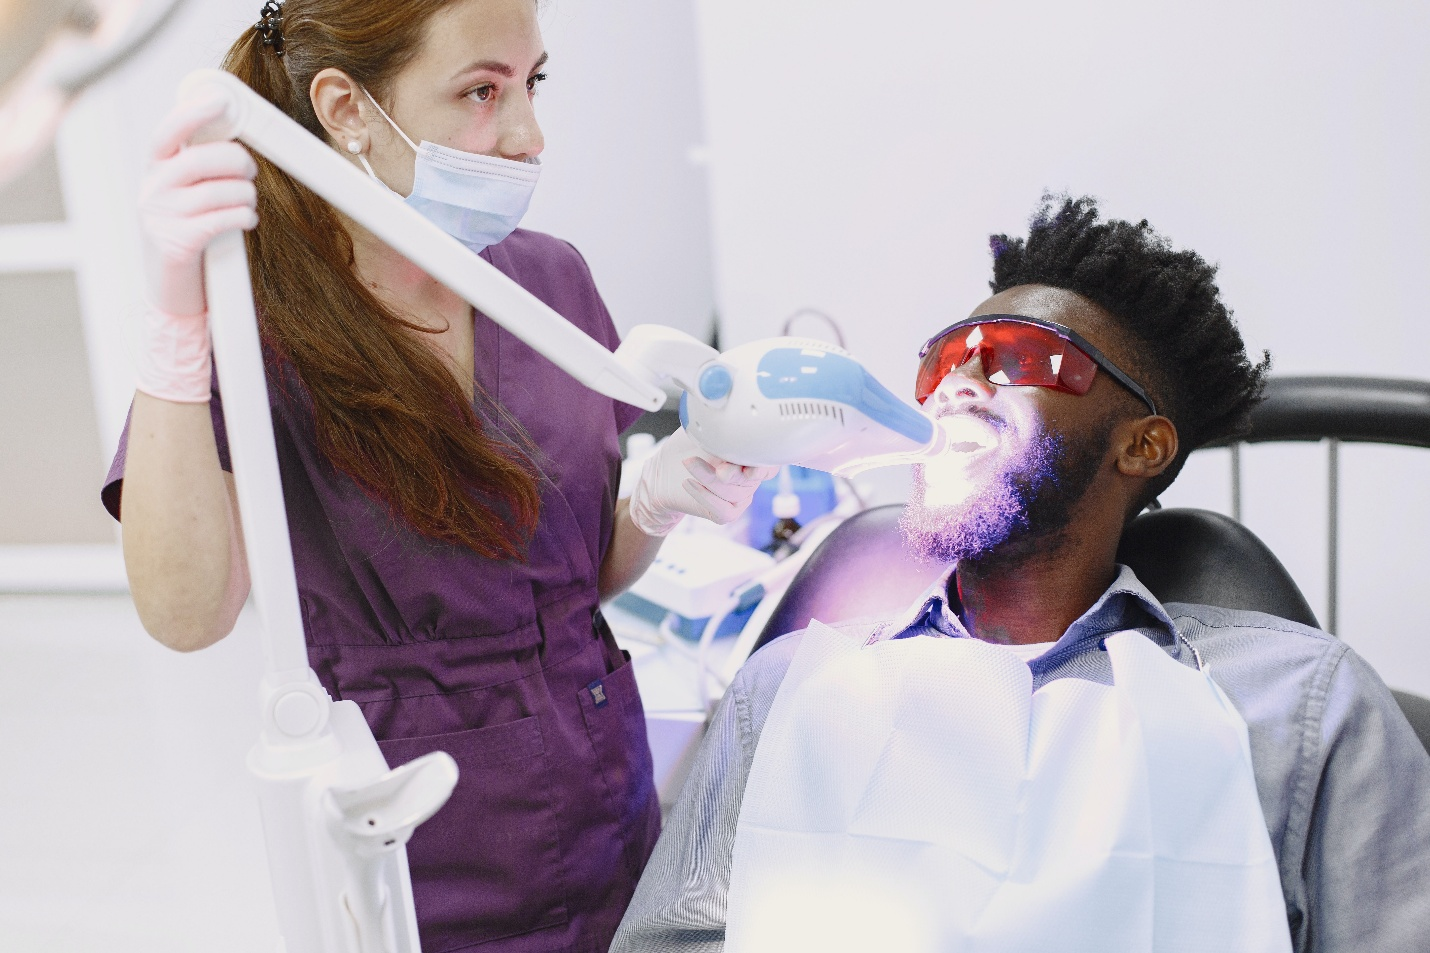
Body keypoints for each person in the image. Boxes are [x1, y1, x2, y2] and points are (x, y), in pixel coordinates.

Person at [102, 1, 775, 949]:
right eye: (480, 92)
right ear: (346, 108)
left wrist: (658, 501)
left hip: (608, 816)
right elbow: (186, 612)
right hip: (413, 853)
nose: (527, 136)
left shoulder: (550, 283)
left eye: (532, 83)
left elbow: (575, 579)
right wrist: (176, 323)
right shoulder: (260, 327)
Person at [610, 196, 1430, 953]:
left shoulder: (1302, 710)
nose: (960, 382)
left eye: (1018, 359)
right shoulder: (785, 690)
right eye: (946, 361)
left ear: (1141, 444)